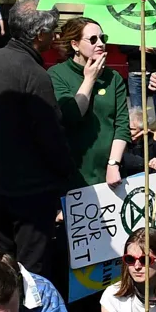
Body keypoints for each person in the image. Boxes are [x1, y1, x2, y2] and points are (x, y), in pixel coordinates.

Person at [0, 0, 76, 288]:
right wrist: (65, 171)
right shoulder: (35, 74)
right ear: (38, 34)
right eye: (51, 31)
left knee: (2, 259)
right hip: (31, 188)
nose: (54, 36)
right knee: (33, 266)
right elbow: (50, 133)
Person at [50, 14, 130, 189]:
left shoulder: (113, 78)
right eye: (93, 39)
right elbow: (72, 115)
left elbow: (122, 124)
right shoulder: (57, 74)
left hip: (109, 173)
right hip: (74, 172)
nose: (100, 43)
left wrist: (113, 164)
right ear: (75, 44)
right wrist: (90, 79)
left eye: (103, 38)